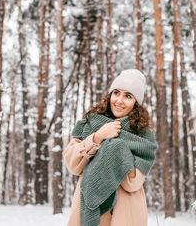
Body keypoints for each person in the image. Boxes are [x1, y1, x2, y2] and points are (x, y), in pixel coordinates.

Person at [63, 69, 158, 226]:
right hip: (86, 211)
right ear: (110, 95)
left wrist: (117, 149)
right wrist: (97, 137)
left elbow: (132, 183)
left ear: (136, 103)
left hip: (125, 216)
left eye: (128, 96)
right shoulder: (88, 124)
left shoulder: (143, 136)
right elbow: (73, 165)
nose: (119, 100)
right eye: (116, 93)